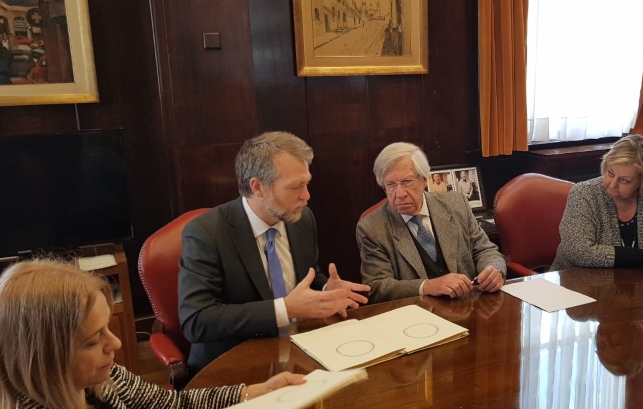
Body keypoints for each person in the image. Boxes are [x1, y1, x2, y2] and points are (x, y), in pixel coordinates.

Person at [179, 131, 370, 373]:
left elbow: (307, 277)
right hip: (234, 365)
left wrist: (324, 289)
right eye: (295, 187)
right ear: (258, 187)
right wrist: (285, 309)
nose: (307, 196)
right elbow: (196, 320)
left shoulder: (301, 219)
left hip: (301, 352)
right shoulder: (206, 233)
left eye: (307, 183)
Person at [0, 259, 307, 409]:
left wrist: (257, 391)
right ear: (44, 356)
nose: (116, 343)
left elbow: (172, 405)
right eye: (93, 340)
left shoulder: (105, 379)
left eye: (108, 326)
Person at [356, 142, 506, 303]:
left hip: (468, 305)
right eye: (390, 185)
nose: (399, 194)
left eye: (407, 182)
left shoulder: (457, 205)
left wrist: (495, 270)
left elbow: (485, 250)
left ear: (424, 180)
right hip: (415, 316)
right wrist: (428, 286)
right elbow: (377, 287)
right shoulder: (372, 228)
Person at [549, 134, 643, 270]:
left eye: (624, 180)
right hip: (576, 288)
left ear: (642, 182)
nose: (612, 183)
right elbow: (578, 251)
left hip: (637, 289)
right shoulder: (584, 194)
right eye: (610, 173)